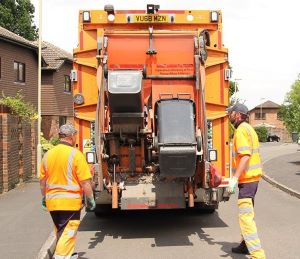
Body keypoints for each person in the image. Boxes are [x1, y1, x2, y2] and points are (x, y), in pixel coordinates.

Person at [39, 124, 96, 259]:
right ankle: (61, 256)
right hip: (70, 202)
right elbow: (85, 182)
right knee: (69, 231)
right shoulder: (75, 155)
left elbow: (42, 181)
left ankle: (67, 254)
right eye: (75, 136)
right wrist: (90, 198)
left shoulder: (48, 155)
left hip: (52, 202)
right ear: (71, 137)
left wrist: (44, 197)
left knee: (60, 230)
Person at [227, 103, 266, 259]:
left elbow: (245, 155)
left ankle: (258, 255)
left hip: (247, 180)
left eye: (231, 113)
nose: (229, 116)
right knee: (248, 214)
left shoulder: (241, 130)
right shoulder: (249, 129)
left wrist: (234, 179)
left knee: (245, 217)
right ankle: (245, 245)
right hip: (253, 179)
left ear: (237, 114)